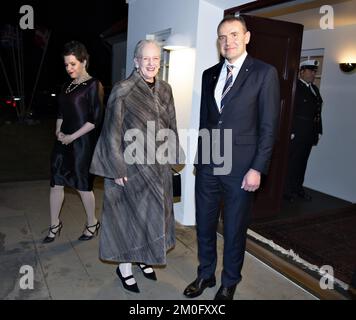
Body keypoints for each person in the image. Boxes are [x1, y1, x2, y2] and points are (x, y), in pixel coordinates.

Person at [184, 16, 280, 300]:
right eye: (223, 37)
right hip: (209, 164)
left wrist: (257, 168)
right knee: (204, 223)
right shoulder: (209, 74)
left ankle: (229, 281)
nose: (228, 42)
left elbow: (268, 127)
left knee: (235, 228)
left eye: (234, 35)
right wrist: (200, 159)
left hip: (242, 168)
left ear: (247, 37)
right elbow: (206, 120)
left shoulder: (265, 73)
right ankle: (205, 275)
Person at [90, 39, 182, 293]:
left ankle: (145, 258)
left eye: (156, 59)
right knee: (128, 219)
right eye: (146, 59)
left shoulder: (166, 89)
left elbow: (171, 124)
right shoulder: (123, 89)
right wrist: (117, 168)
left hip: (158, 167)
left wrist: (173, 155)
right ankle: (125, 267)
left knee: (153, 217)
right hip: (131, 168)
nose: (151, 63)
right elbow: (111, 131)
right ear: (136, 61)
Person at [43, 41, 104, 243]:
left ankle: (92, 222)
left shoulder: (94, 85)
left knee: (82, 185)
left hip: (82, 144)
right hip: (63, 142)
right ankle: (54, 225)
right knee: (56, 183)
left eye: (72, 64)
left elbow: (95, 120)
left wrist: (71, 137)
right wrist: (58, 131)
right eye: (66, 64)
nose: (68, 68)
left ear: (83, 61)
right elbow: (61, 111)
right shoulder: (66, 86)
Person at [283, 59, 323, 202]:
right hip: (297, 133)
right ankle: (286, 190)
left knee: (302, 163)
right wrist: (291, 130)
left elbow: (317, 112)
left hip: (309, 133)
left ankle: (297, 188)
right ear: (302, 72)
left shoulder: (314, 89)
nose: (313, 74)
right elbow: (290, 111)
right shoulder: (295, 87)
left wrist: (318, 131)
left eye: (314, 71)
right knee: (292, 162)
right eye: (311, 71)